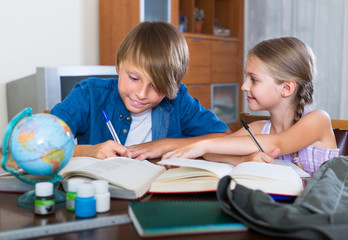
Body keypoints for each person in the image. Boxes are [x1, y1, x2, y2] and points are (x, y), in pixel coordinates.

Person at [51, 21, 230, 160]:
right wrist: (88, 151)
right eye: (134, 78)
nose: (142, 94)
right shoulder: (89, 95)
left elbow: (225, 139)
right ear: (119, 66)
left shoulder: (178, 100)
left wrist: (164, 145)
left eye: (157, 86)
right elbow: (40, 143)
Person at [163, 37, 339, 176]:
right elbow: (212, 152)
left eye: (253, 79)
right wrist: (243, 159)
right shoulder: (257, 129)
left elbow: (277, 143)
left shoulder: (318, 120)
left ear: (286, 88)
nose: (244, 86)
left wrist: (203, 145)